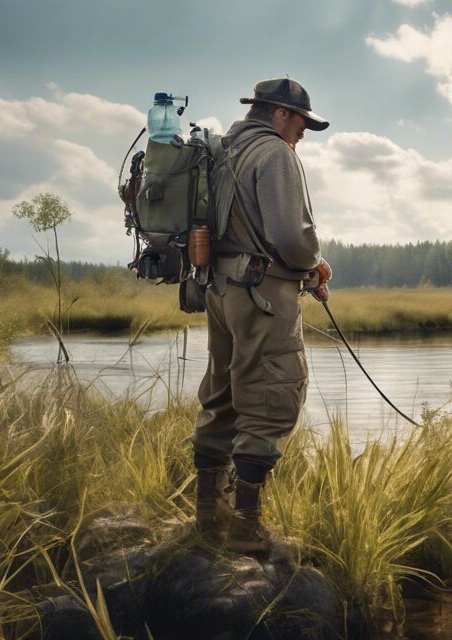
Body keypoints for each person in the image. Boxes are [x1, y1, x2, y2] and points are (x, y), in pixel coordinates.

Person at [192, 77, 333, 552]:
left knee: (224, 392)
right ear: (278, 114)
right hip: (262, 293)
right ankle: (245, 530)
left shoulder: (220, 151)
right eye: (300, 122)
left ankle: (208, 518)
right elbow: (290, 237)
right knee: (271, 394)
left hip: (218, 288)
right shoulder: (274, 154)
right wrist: (313, 265)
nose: (303, 133)